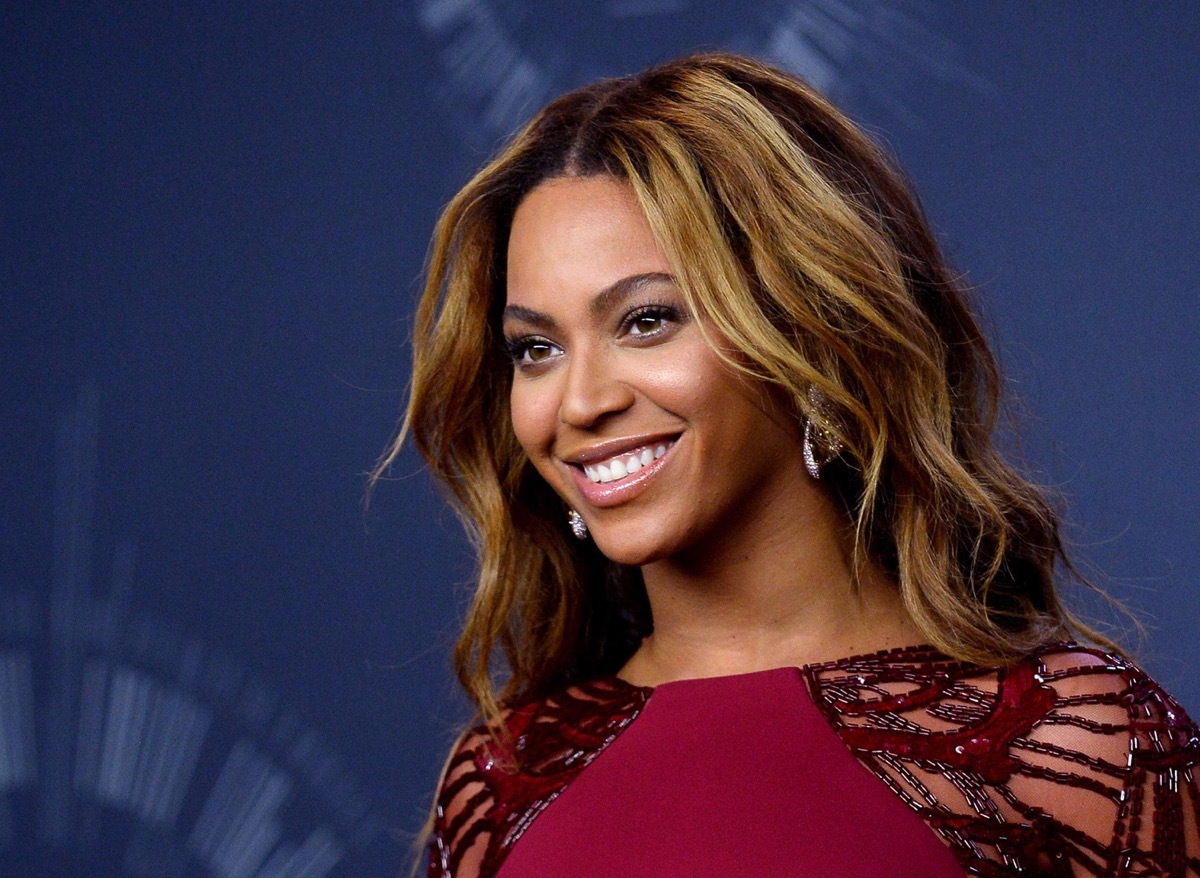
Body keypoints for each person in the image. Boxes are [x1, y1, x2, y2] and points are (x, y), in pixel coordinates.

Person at [377, 52, 1200, 877]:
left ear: (810, 335)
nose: (579, 402)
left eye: (648, 320)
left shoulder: (1070, 750)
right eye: (537, 348)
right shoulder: (504, 776)